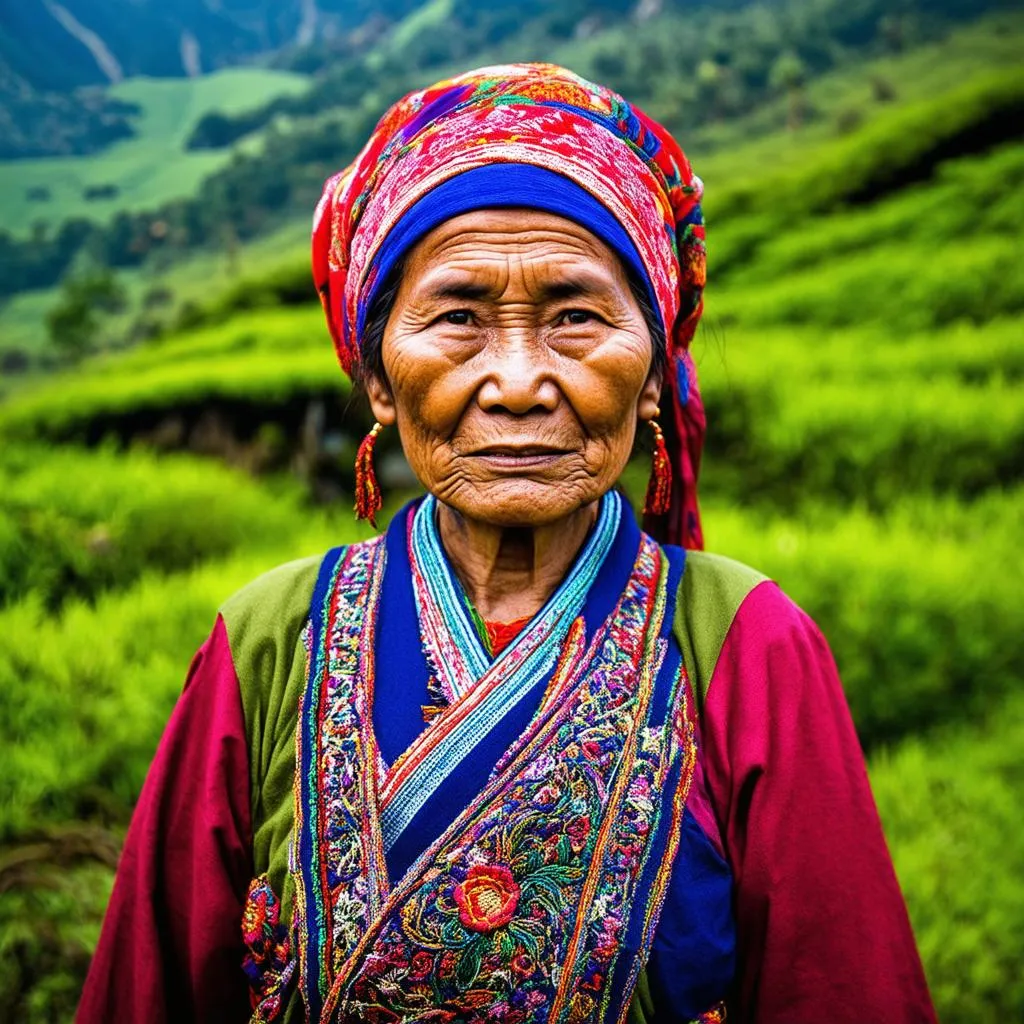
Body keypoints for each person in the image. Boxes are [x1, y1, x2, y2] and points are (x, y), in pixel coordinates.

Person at [78, 63, 936, 1024]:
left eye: (575, 316)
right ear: (378, 379)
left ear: (652, 374)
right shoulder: (271, 641)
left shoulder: (747, 647)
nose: (520, 380)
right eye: (457, 319)